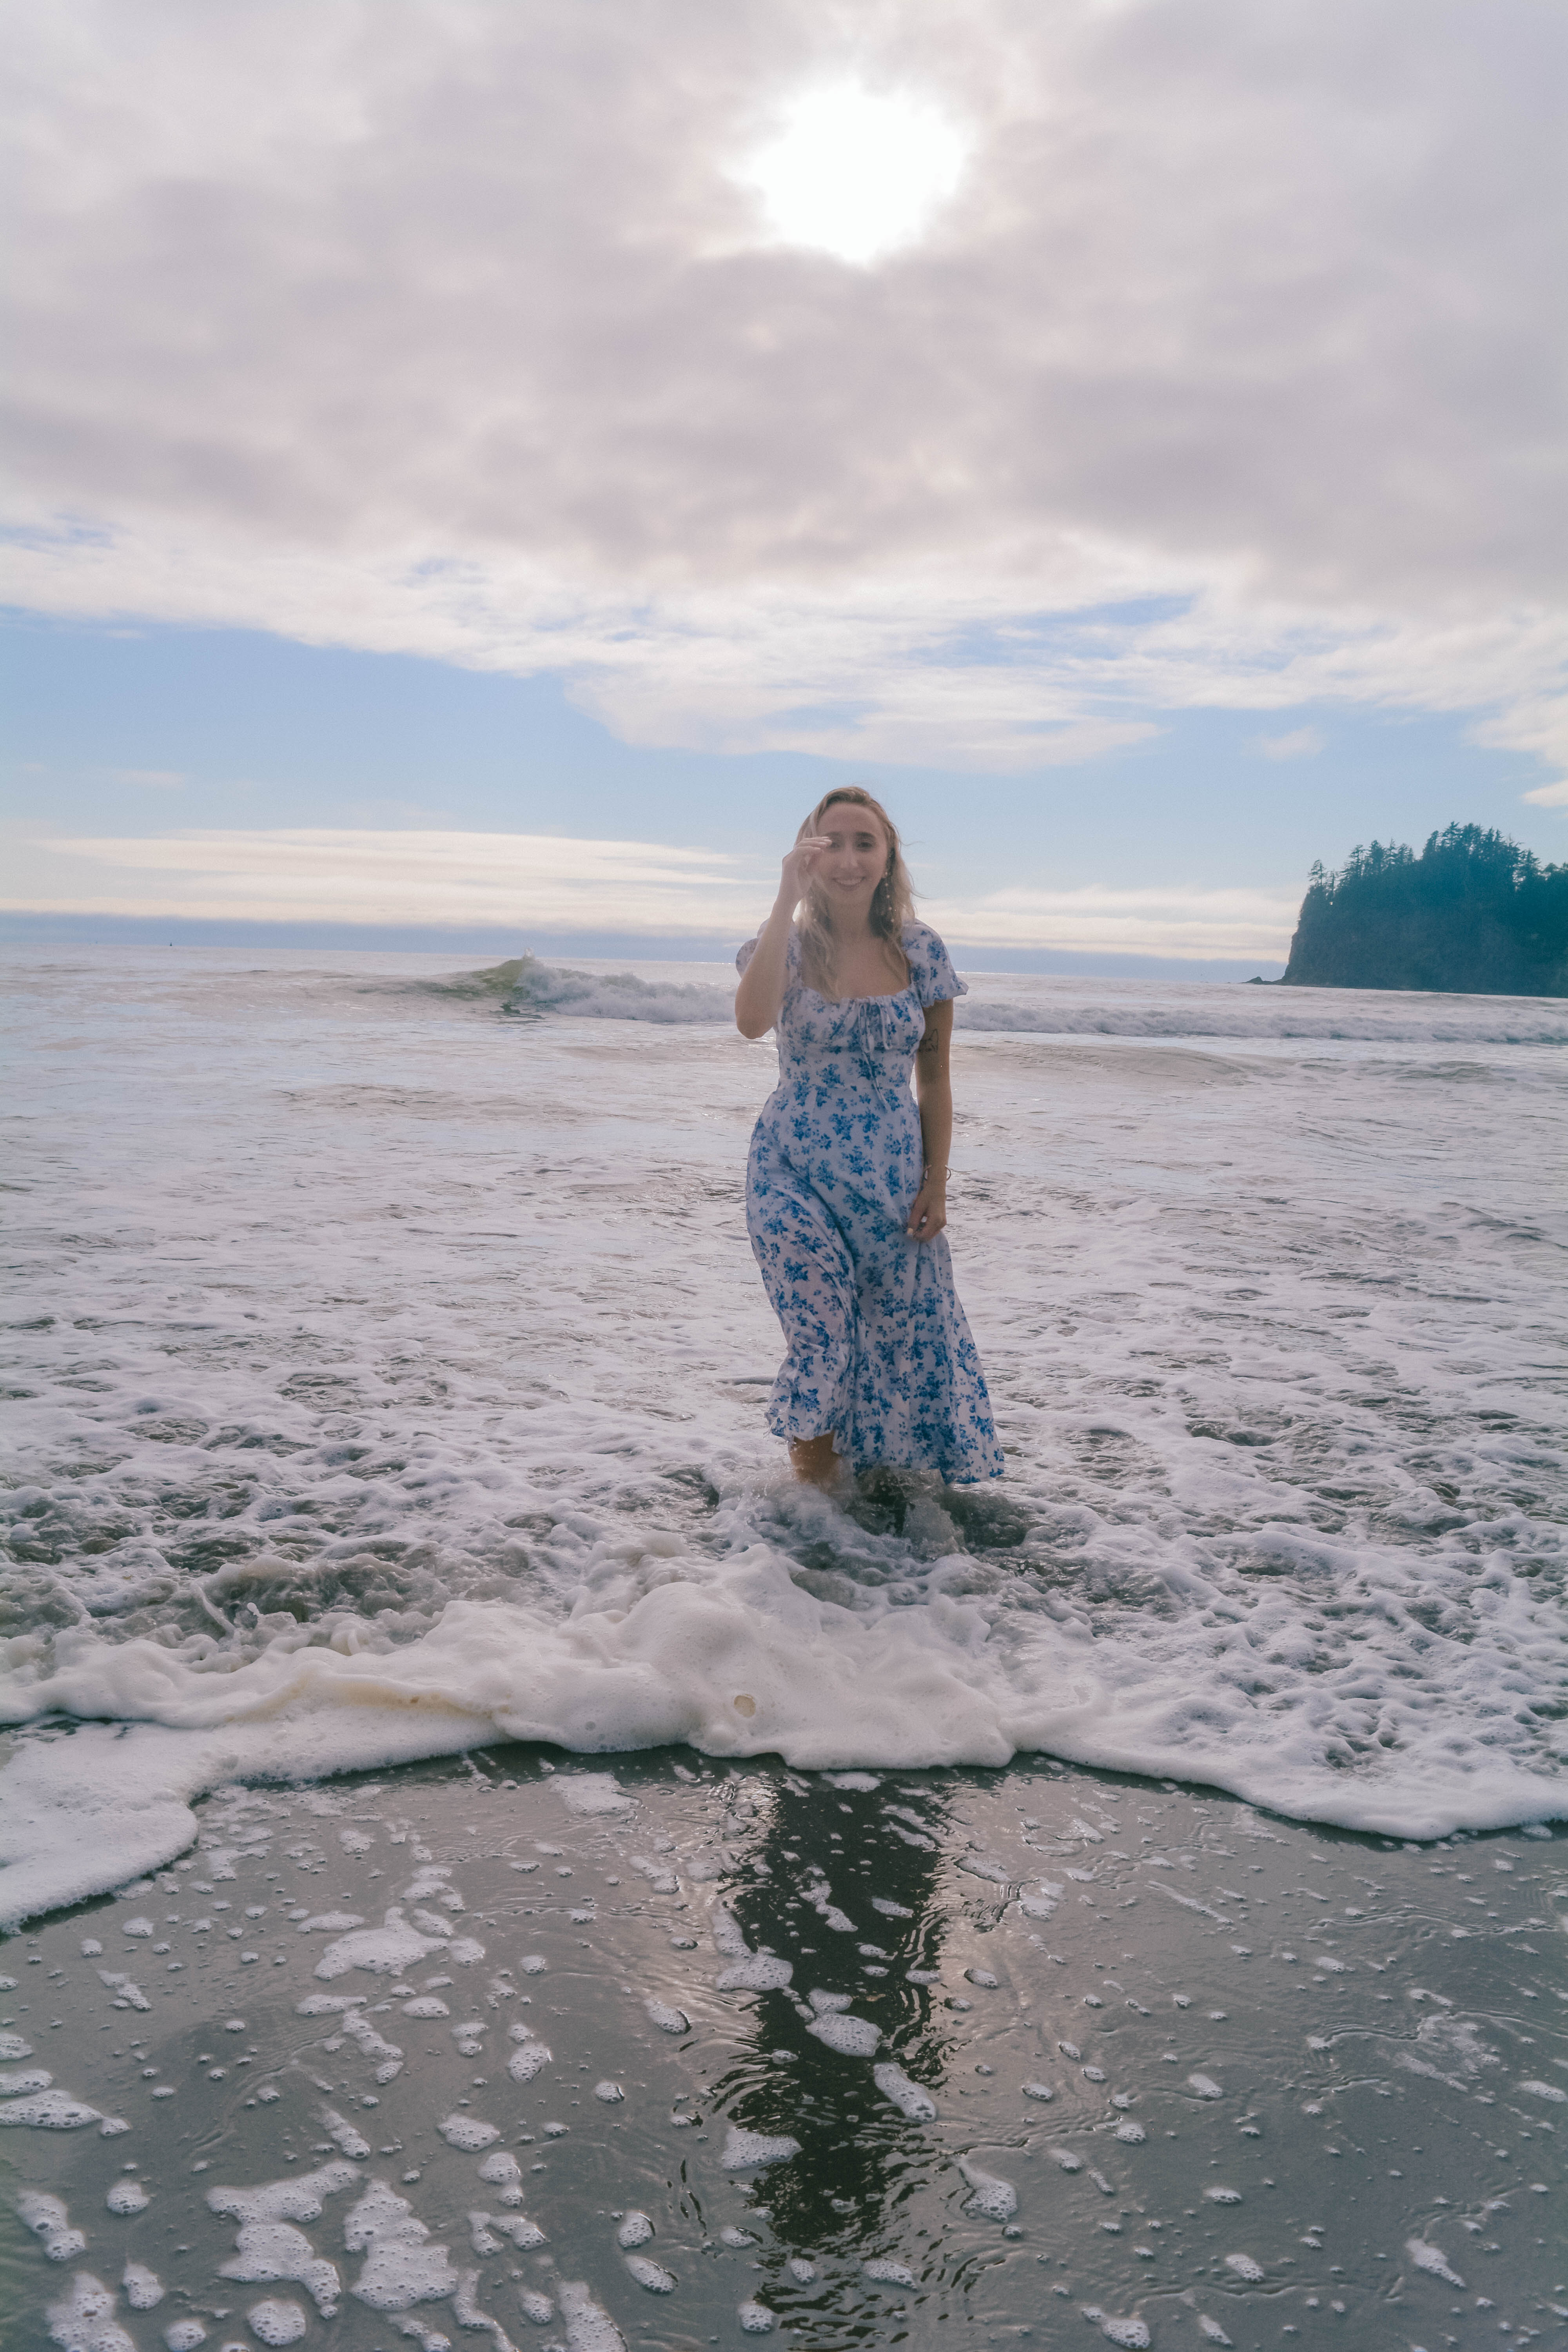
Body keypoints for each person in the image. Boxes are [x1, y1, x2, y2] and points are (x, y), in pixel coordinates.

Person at [734, 786, 1003, 1491]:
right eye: (830, 844)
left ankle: (872, 1516)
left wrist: (936, 1181)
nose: (848, 860)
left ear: (888, 859)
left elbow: (936, 1078)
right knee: (823, 1334)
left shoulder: (919, 951)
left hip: (890, 1174)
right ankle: (811, 1509)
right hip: (791, 1167)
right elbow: (752, 1021)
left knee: (899, 1341)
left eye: (865, 843)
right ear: (807, 854)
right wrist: (781, 899)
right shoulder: (785, 945)